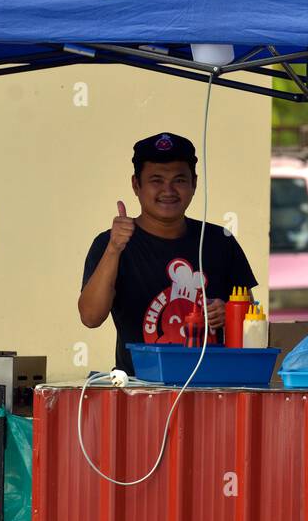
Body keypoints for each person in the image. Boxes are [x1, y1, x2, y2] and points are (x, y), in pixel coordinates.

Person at [78, 131, 259, 375]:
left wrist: (229, 312)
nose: (168, 190)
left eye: (179, 180)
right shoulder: (108, 243)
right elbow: (90, 317)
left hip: (213, 386)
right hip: (139, 390)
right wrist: (114, 249)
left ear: (194, 183)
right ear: (136, 184)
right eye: (156, 180)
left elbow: (252, 318)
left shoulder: (220, 240)